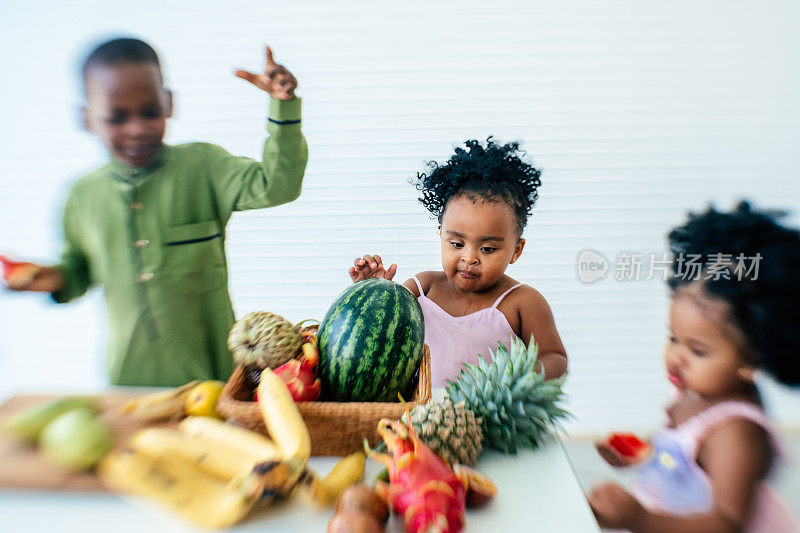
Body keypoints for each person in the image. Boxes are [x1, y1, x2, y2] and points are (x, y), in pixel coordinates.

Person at [3, 38, 308, 386]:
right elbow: (77, 273)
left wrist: (282, 108)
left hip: (216, 380)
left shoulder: (205, 166)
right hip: (127, 383)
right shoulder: (81, 196)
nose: (137, 128)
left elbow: (278, 185)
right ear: (88, 118)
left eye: (149, 111)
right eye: (117, 117)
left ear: (168, 102)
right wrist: (45, 278)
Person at [588, 202, 800, 532]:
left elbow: (727, 523)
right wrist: (642, 455)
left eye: (698, 350)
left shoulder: (735, 432)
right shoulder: (698, 389)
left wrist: (641, 519)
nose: (676, 357)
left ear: (752, 357)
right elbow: (682, 460)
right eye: (674, 338)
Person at [348, 138, 567, 386]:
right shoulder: (424, 288)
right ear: (441, 235)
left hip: (492, 422)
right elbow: (378, 333)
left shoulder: (523, 302)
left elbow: (555, 357)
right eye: (457, 244)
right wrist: (373, 291)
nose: (469, 258)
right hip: (423, 420)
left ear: (516, 250)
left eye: (487, 248)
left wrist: (522, 379)